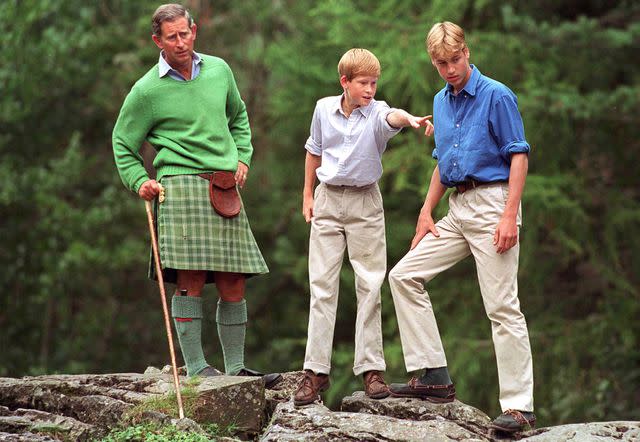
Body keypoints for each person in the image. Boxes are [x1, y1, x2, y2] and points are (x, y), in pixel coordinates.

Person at [112, 3, 280, 388]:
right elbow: (123, 142)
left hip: (223, 183)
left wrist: (243, 158)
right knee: (189, 279)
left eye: (185, 33)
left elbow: (238, 118)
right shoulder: (147, 90)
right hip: (180, 184)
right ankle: (196, 367)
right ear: (158, 40)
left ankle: (236, 369)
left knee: (233, 279)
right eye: (171, 37)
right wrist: (140, 180)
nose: (180, 41)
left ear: (195, 30)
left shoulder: (220, 70)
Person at [387, 21, 535, 433]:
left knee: (502, 306)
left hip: (493, 204)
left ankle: (520, 407)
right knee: (404, 275)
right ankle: (432, 376)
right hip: (458, 206)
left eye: (455, 60)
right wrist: (425, 211)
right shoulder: (440, 100)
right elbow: (442, 161)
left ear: (466, 52)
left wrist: (509, 214)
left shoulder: (497, 95)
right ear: (433, 62)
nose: (450, 69)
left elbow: (519, 156)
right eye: (441, 63)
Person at [293, 48, 434, 406]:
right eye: (363, 83)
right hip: (328, 199)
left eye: (374, 83)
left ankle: (371, 370)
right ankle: (315, 371)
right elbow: (314, 150)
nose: (370, 89)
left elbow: (393, 117)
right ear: (345, 82)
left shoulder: (377, 112)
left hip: (365, 203)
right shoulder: (324, 108)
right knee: (322, 286)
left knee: (370, 285)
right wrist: (308, 195)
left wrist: (412, 119)